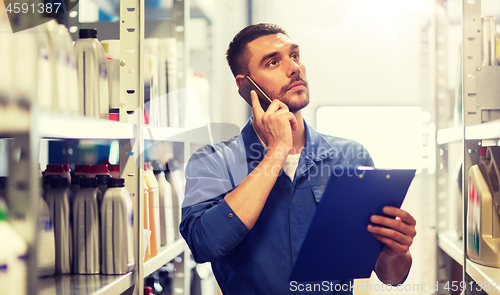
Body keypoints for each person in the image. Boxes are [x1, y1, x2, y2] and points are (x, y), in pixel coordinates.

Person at [180, 23, 417, 294]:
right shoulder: (212, 162)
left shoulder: (351, 157)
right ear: (245, 85)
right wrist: (276, 152)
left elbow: (390, 277)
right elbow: (203, 244)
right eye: (272, 62)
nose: (294, 68)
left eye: (295, 56)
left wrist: (394, 252)